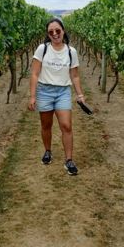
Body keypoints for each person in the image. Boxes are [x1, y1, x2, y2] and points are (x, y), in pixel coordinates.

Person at [27, 18, 86, 175]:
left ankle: (69, 160)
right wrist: (32, 96)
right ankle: (47, 151)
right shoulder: (42, 49)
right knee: (46, 125)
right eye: (51, 32)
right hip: (44, 91)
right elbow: (34, 73)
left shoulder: (71, 52)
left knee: (66, 126)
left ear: (63, 31)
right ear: (48, 34)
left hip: (63, 92)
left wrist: (80, 94)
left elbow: (75, 76)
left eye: (57, 30)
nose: (54, 34)